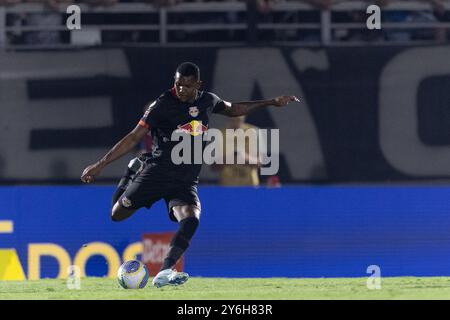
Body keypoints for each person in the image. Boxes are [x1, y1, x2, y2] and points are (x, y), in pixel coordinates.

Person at [80, 62, 299, 288]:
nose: (181, 89)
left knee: (192, 218)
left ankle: (165, 271)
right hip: (157, 173)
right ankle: (131, 171)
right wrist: (100, 164)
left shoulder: (208, 100)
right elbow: (134, 137)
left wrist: (271, 102)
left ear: (198, 84)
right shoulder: (162, 104)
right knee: (117, 214)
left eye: (187, 85)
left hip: (185, 180)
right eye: (178, 84)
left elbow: (233, 108)